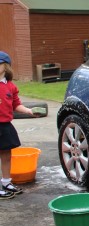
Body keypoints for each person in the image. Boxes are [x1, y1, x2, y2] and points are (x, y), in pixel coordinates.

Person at [0, 51, 35, 199]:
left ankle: (6, 182)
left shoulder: (11, 87)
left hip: (5, 126)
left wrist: (27, 110)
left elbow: (16, 105)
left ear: (5, 67)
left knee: (7, 155)